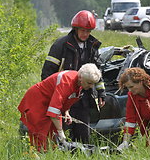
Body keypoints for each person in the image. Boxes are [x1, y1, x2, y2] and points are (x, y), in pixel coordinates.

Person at [41, 10, 106, 143]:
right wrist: (51, 97)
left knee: (83, 136)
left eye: (88, 31)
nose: (85, 34)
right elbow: (47, 73)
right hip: (63, 96)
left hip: (84, 97)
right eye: (82, 30)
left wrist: (101, 92)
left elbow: (96, 72)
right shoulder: (61, 45)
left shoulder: (92, 46)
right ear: (75, 28)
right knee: (60, 137)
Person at [18, 63, 102, 152]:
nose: (91, 86)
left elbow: (66, 99)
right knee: (41, 135)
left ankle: (49, 154)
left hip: (49, 103)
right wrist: (61, 132)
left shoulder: (79, 82)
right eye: (89, 83)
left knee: (53, 138)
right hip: (37, 102)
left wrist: (66, 112)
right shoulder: (66, 82)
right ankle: (37, 154)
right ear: (81, 77)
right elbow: (53, 111)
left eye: (93, 84)